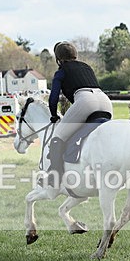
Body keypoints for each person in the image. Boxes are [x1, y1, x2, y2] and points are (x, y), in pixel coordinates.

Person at [47, 41, 113, 185]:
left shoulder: (61, 71)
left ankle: (55, 177)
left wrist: (53, 115)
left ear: (58, 59)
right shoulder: (87, 67)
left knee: (57, 137)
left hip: (85, 101)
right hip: (105, 101)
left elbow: (53, 98)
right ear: (75, 55)